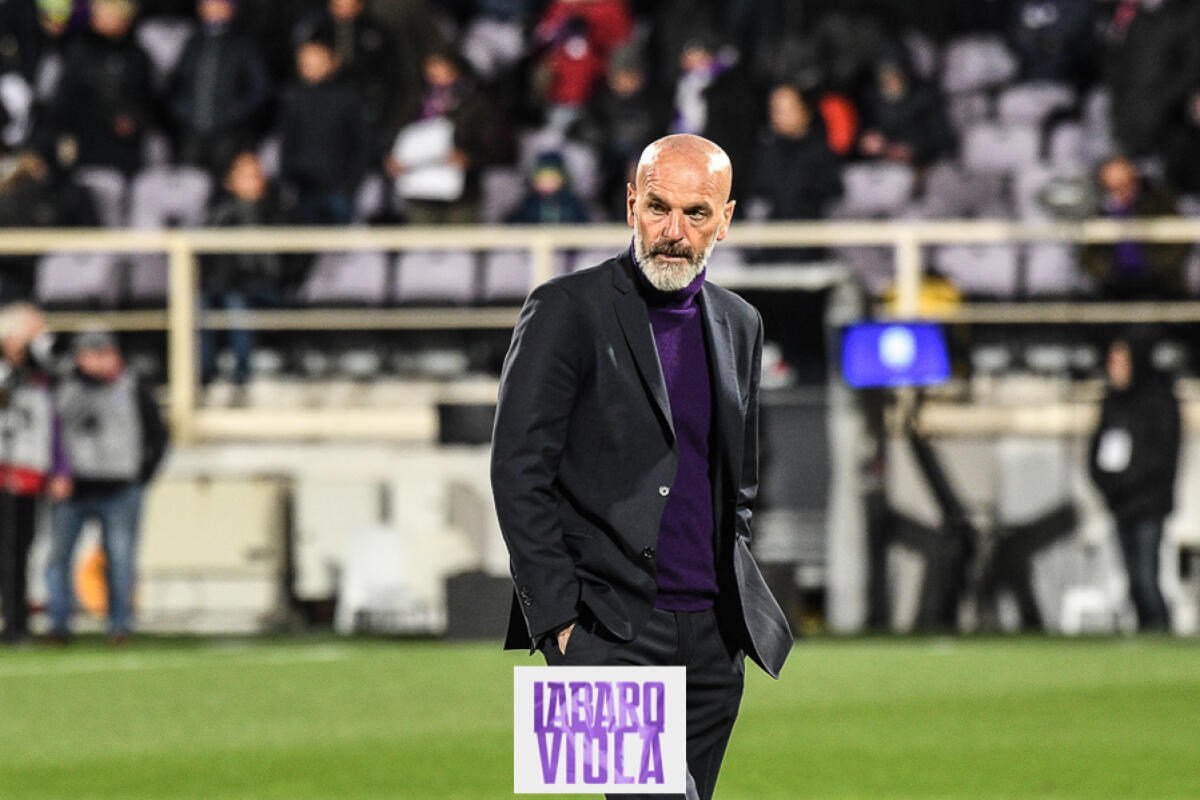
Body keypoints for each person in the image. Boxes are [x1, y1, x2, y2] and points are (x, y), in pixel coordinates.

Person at [491, 134, 792, 800]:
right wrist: (559, 624)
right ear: (632, 205)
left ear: (725, 219)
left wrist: (727, 607)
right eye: (658, 207)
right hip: (604, 630)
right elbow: (517, 471)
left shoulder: (740, 322)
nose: (673, 232)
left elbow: (737, 482)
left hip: (713, 640)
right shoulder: (564, 308)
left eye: (696, 213)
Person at [45, 330, 167, 643]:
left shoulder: (133, 386)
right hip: (73, 488)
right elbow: (50, 433)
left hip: (120, 487)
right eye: (91, 353)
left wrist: (142, 474)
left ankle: (120, 626)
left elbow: (158, 434)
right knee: (58, 559)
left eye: (104, 353)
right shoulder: (63, 386)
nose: (99, 360)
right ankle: (58, 624)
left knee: (121, 559)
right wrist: (53, 473)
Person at [1089, 329, 1179, 632]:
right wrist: (1110, 487)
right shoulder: (1112, 402)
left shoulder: (1159, 400)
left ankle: (1162, 634)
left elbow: (1161, 457)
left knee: (1146, 579)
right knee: (1133, 581)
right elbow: (1095, 453)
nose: (1113, 367)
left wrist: (1129, 483)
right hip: (1120, 504)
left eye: (1120, 360)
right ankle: (1146, 632)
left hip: (1148, 505)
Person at [0, 303, 70, 644]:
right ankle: (13, 621)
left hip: (30, 474)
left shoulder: (41, 376)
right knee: (7, 550)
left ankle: (18, 622)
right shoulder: (7, 375)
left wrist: (59, 469)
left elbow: (52, 426)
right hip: (5, 471)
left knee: (21, 549)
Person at [202, 150, 302, 388]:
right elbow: (209, 262)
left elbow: (290, 263)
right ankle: (202, 376)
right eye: (244, 175)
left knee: (235, 301)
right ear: (229, 181)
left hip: (268, 289)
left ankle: (242, 376)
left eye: (255, 175)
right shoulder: (220, 214)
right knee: (199, 303)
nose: (251, 182)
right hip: (225, 288)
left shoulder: (277, 211)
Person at [277, 24, 371, 225]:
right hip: (304, 188)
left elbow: (362, 144)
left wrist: (350, 185)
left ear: (333, 61)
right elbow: (287, 142)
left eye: (317, 60)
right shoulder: (293, 97)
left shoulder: (348, 97)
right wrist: (287, 182)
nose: (311, 67)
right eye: (306, 62)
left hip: (339, 188)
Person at [47, 0, 155, 175]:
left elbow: (149, 103)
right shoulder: (79, 51)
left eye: (107, 12)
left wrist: (135, 121)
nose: (98, 16)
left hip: (125, 152)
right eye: (98, 11)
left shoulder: (138, 57)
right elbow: (62, 101)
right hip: (84, 148)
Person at [169, 0, 271, 173]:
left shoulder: (242, 44)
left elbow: (260, 87)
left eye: (219, 4)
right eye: (208, 4)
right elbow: (177, 81)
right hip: (192, 130)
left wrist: (236, 112)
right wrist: (182, 109)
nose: (213, 9)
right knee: (191, 177)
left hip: (228, 132)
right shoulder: (193, 42)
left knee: (224, 175)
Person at [747, 83, 842, 261]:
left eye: (788, 109)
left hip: (814, 248)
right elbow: (758, 197)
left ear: (805, 111)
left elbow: (831, 197)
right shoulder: (764, 152)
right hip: (770, 251)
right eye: (776, 110)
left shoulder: (821, 152)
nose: (779, 116)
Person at [1081, 156, 1189, 300]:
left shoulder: (1159, 202)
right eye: (1114, 188)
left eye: (1126, 184)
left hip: (1159, 284)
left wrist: (1158, 265)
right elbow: (1087, 254)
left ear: (1135, 179)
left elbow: (1182, 241)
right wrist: (1105, 271)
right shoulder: (1098, 210)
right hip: (1114, 286)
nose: (1122, 191)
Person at [857, 53, 954, 168]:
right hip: (881, 163)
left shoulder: (925, 95)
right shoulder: (870, 97)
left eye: (894, 75)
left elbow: (942, 138)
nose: (889, 81)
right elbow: (862, 136)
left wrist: (914, 149)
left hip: (921, 163)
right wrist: (867, 142)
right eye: (884, 76)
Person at [506, 151, 590, 224]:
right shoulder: (529, 203)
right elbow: (515, 223)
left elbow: (584, 223)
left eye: (552, 179)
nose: (547, 183)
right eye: (542, 179)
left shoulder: (571, 203)